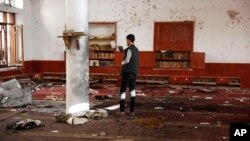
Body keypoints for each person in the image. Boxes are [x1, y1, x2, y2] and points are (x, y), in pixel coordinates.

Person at [119, 34, 139, 116]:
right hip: (134, 73)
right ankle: (132, 111)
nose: (126, 41)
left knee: (123, 92)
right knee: (132, 92)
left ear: (129, 40)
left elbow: (127, 60)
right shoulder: (136, 49)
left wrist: (121, 62)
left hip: (127, 73)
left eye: (126, 40)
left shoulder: (129, 49)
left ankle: (122, 111)